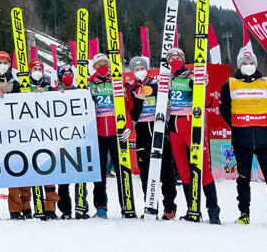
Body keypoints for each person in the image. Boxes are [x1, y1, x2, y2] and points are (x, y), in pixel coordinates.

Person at [219, 48, 267, 228]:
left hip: (265, 139)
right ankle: (244, 214)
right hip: (242, 139)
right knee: (243, 178)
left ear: (255, 65)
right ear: (239, 65)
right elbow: (224, 109)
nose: (248, 66)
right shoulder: (230, 84)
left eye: (251, 63)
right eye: (244, 63)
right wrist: (236, 125)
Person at [165, 47, 220, 224]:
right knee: (183, 172)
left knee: (203, 170)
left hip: (191, 129)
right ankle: (192, 209)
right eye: (171, 57)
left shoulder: (191, 77)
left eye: (177, 56)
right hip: (174, 131)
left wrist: (202, 86)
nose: (174, 59)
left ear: (183, 58)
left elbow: (208, 102)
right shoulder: (168, 80)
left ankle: (213, 210)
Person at [126, 56, 178, 220]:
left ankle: (169, 208)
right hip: (142, 136)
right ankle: (150, 207)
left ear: (147, 68)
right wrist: (139, 102)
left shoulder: (157, 85)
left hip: (161, 133)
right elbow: (134, 115)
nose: (140, 71)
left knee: (166, 173)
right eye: (136, 69)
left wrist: (168, 106)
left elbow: (169, 107)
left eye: (142, 68)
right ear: (133, 72)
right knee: (146, 174)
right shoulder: (132, 90)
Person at [88, 53, 133, 218]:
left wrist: (128, 126)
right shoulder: (90, 84)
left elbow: (126, 107)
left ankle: (127, 206)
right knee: (99, 173)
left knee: (122, 170)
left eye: (104, 64)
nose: (102, 67)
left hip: (116, 133)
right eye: (99, 65)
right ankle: (101, 207)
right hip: (98, 134)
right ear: (93, 67)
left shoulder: (117, 81)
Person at [0, 51, 31, 220]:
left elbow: (24, 101)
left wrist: (9, 93)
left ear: (9, 64)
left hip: (15, 131)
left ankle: (25, 206)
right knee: (1, 169)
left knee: (19, 167)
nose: (1, 64)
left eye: (5, 62)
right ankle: (4, 208)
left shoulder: (16, 82)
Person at [28, 59, 60, 220]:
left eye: (39, 68)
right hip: (28, 134)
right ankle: (36, 206)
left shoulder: (49, 87)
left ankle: (50, 208)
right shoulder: (23, 87)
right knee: (33, 170)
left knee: (48, 171)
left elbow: (60, 100)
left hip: (47, 134)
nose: (37, 71)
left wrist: (61, 94)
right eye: (34, 68)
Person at [54, 64, 78, 219]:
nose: (67, 76)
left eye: (70, 73)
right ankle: (65, 209)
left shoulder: (79, 90)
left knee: (80, 174)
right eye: (64, 74)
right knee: (63, 179)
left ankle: (82, 206)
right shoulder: (55, 92)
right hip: (60, 140)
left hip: (78, 138)